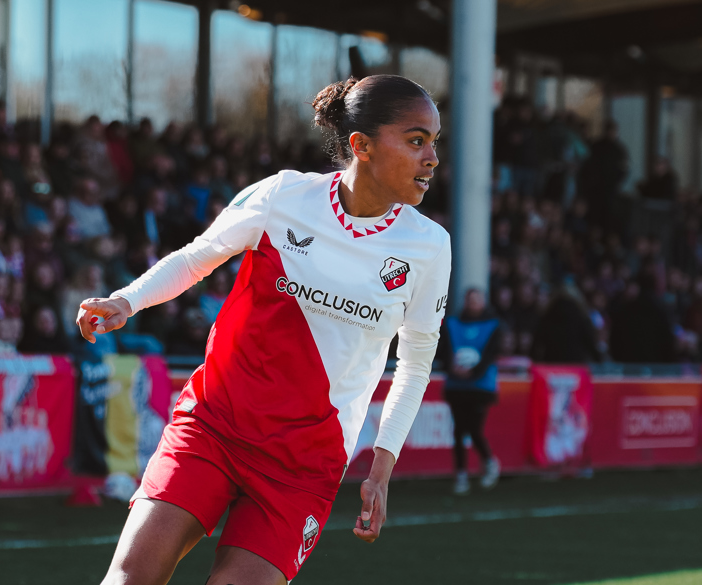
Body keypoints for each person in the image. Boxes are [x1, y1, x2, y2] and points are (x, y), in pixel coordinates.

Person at [81, 75, 450, 585]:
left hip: (304, 465)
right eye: (416, 141)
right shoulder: (284, 195)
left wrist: (381, 469)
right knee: (130, 579)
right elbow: (197, 257)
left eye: (434, 142)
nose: (432, 158)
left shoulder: (429, 245)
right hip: (213, 426)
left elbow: (414, 365)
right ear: (361, 145)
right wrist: (126, 300)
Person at [439, 288, 503, 495]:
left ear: (483, 302)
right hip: (456, 386)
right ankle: (461, 475)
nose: (473, 304)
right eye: (470, 300)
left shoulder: (493, 325)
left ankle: (489, 461)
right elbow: (443, 350)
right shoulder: (451, 324)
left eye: (477, 300)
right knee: (458, 431)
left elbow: (491, 353)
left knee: (474, 429)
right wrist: (452, 369)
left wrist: (473, 372)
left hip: (480, 386)